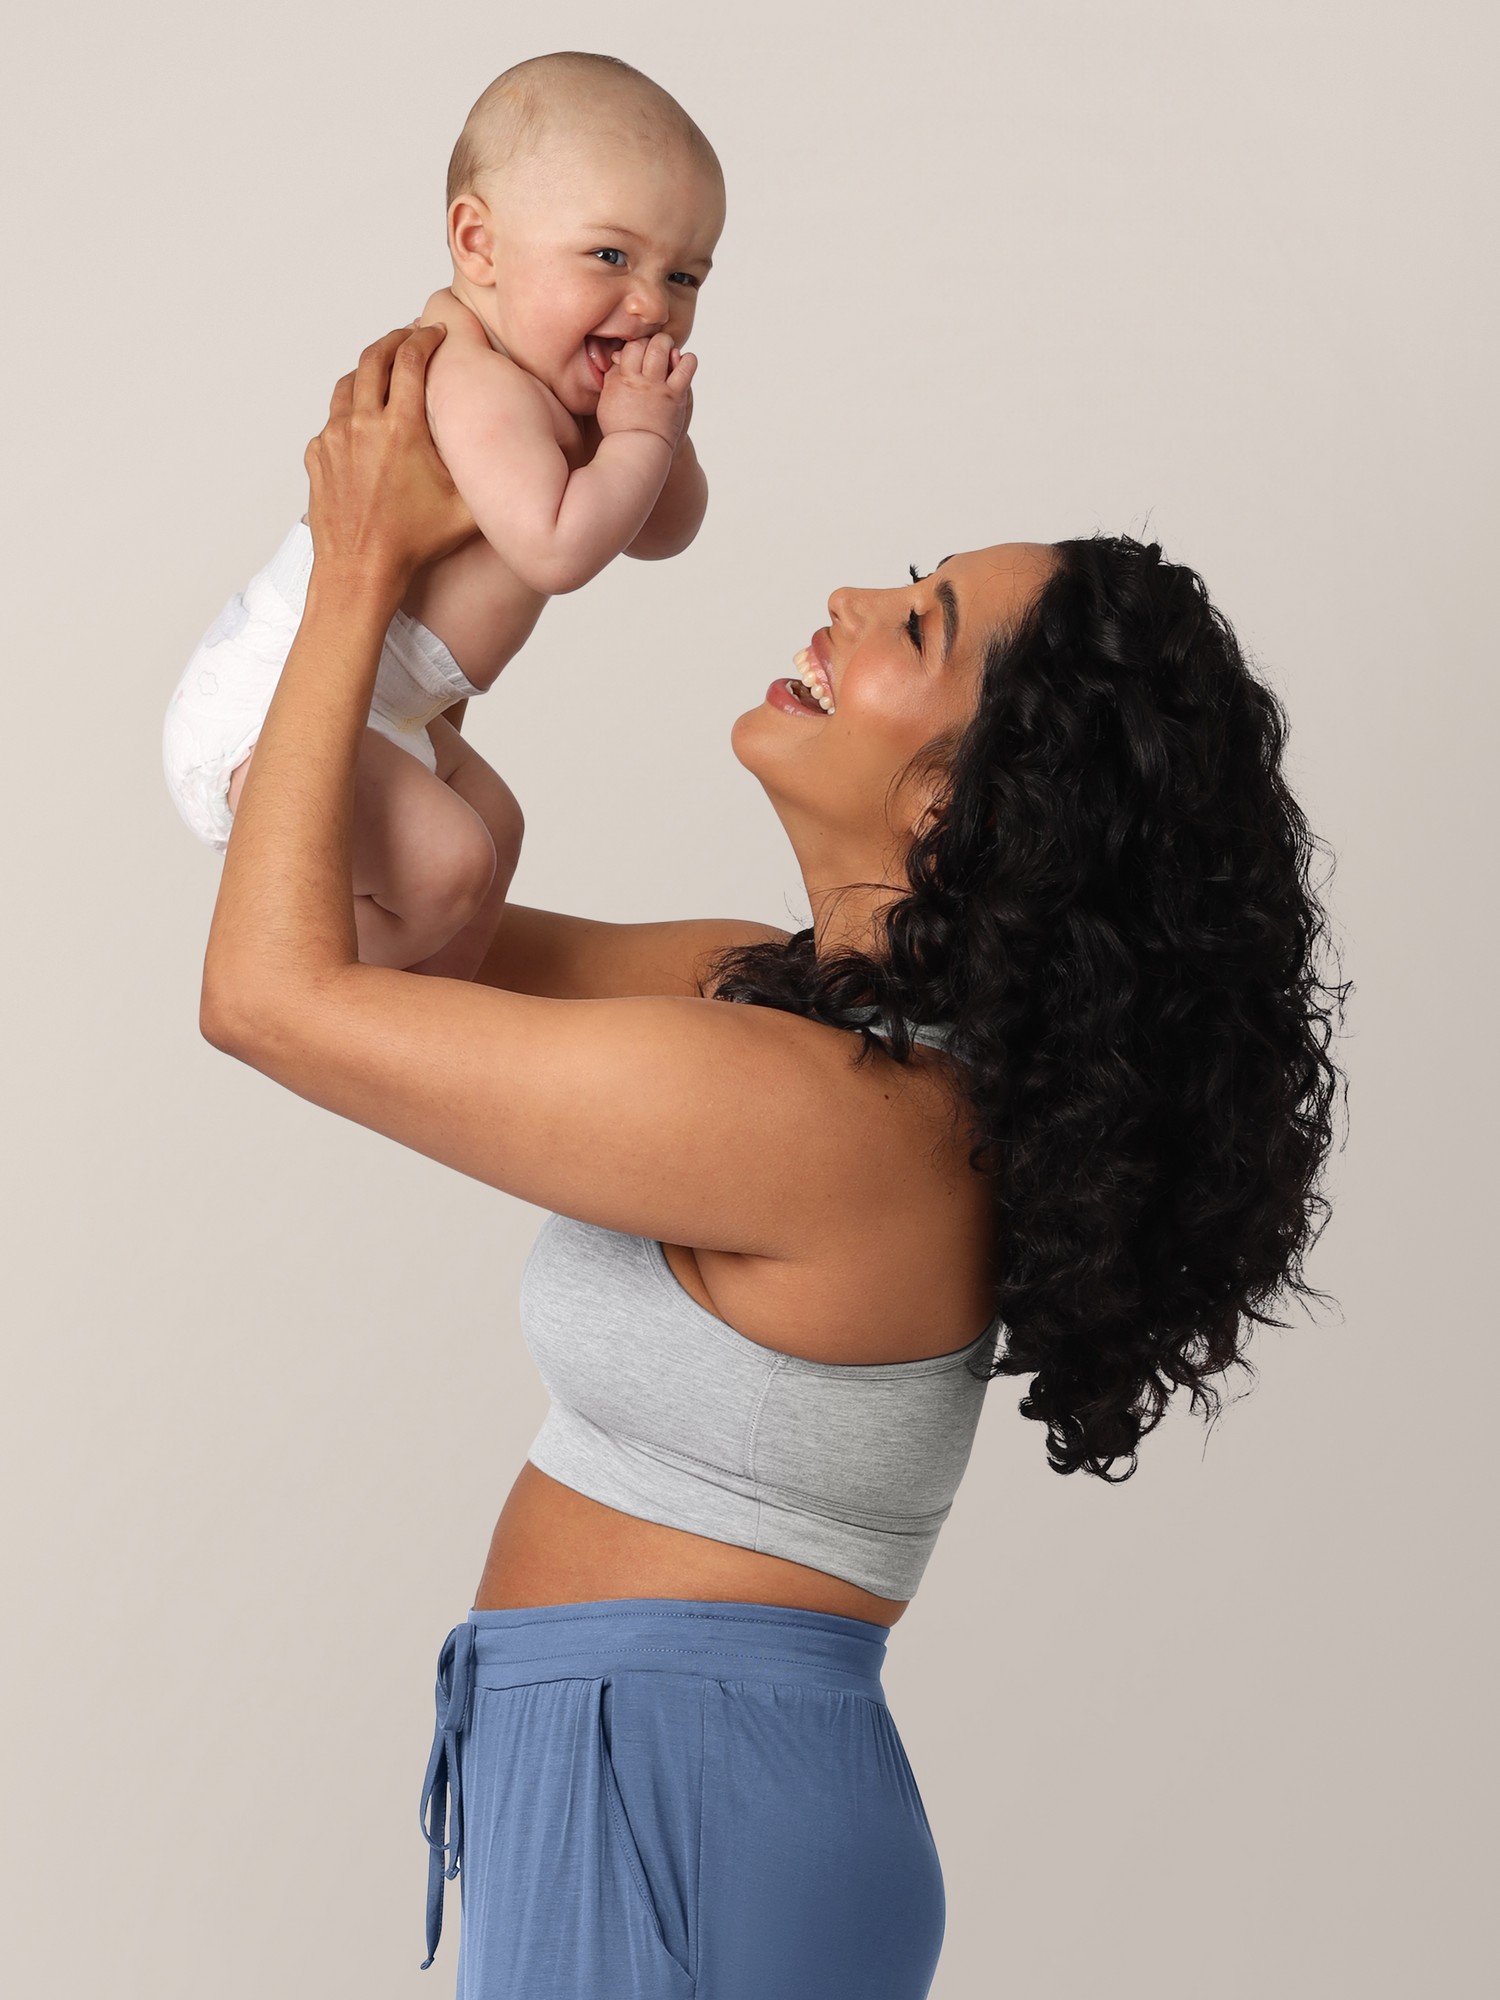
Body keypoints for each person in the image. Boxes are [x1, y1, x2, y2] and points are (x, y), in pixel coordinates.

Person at [200, 327, 1343, 2000]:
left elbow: (270, 998)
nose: (849, 604)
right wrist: (442, 630)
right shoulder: (785, 1015)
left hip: (678, 1804)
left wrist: (351, 579)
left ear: (973, 802)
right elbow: (404, 937)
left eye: (919, 627)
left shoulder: (825, 1119)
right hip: (636, 1779)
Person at [165, 52, 721, 977]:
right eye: (612, 256)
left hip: (394, 712)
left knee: (493, 831)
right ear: (479, 245)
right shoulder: (467, 376)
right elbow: (555, 547)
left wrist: (659, 433)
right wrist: (637, 445)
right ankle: (307, 984)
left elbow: (663, 531)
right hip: (273, 707)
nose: (652, 304)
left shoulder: (558, 385)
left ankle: (439, 1007)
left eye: (687, 278)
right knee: (451, 860)